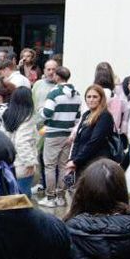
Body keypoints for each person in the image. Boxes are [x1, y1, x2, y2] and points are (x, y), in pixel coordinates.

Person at [39, 65, 82, 207]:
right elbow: (78, 117)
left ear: (57, 76)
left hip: (53, 133)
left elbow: (46, 113)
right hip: (68, 134)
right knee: (63, 166)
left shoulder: (54, 93)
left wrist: (40, 110)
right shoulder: (77, 94)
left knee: (50, 165)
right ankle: (61, 196)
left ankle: (50, 197)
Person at [66, 83, 119, 183]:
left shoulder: (104, 116)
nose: (91, 99)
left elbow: (95, 141)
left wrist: (76, 161)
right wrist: (72, 160)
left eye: (95, 97)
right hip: (82, 162)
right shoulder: (86, 114)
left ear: (101, 99)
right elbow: (77, 140)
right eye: (88, 97)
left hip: (96, 164)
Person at [1, 88, 40, 196]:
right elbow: (22, 142)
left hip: (9, 164)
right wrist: (30, 162)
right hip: (23, 165)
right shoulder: (27, 119)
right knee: (23, 199)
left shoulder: (8, 115)